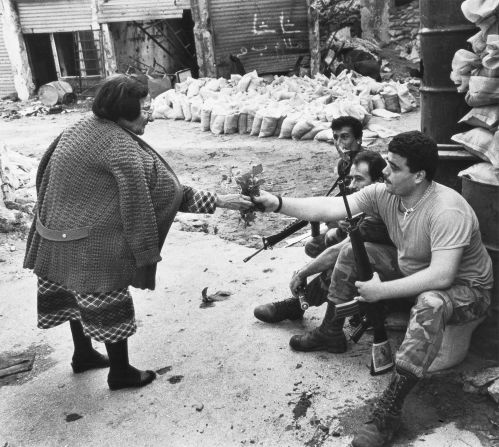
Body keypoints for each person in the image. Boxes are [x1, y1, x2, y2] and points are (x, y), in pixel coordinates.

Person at [253, 131, 492, 447]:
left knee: (430, 302)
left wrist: (383, 292)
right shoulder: (387, 193)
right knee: (352, 250)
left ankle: (389, 411)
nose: (385, 172)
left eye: (394, 167)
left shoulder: (447, 209)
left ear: (419, 175)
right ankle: (330, 332)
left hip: (466, 290)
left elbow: (441, 276)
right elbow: (329, 207)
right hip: (414, 270)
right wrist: (278, 203)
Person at [23, 74, 252, 391]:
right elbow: (163, 194)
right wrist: (143, 252)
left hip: (54, 234)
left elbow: (43, 172)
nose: (152, 114)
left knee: (72, 286)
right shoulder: (121, 148)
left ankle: (83, 353)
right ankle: (120, 373)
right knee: (109, 292)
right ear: (123, 111)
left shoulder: (81, 126)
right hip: (88, 245)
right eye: (145, 108)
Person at [254, 151, 390, 330]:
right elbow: (326, 212)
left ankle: (305, 310)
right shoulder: (372, 200)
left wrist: (302, 273)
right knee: (324, 243)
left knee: (345, 258)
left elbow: (339, 251)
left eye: (359, 179)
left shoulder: (379, 210)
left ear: (378, 182)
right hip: (383, 266)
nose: (352, 185)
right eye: (351, 179)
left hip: (394, 279)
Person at [304, 115, 365, 258]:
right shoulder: (343, 164)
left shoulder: (367, 163)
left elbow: (376, 201)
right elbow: (345, 196)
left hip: (367, 222)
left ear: (358, 138)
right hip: (349, 216)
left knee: (330, 238)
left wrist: (345, 219)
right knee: (312, 246)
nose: (339, 143)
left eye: (344, 137)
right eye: (336, 138)